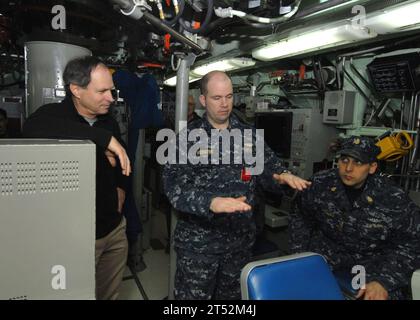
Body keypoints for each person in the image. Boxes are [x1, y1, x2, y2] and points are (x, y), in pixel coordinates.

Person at [162, 70, 311, 300]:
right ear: (203, 100)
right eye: (217, 98)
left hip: (238, 244)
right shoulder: (185, 139)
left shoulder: (249, 136)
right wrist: (211, 202)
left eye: (229, 97)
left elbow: (267, 169)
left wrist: (281, 176)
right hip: (199, 246)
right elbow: (174, 188)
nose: (224, 104)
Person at [22, 56, 131, 300]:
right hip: (77, 240)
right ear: (76, 90)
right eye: (102, 91)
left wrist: (121, 188)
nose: (111, 98)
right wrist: (99, 138)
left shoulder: (108, 122)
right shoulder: (52, 116)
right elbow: (30, 128)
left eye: (111, 91)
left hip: (113, 230)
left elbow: (124, 158)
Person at [289, 136, 420, 300]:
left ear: (372, 167)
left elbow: (412, 244)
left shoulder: (393, 198)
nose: (348, 168)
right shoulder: (320, 183)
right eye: (344, 160)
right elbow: (301, 217)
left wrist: (384, 281)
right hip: (325, 258)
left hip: (372, 265)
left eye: (358, 162)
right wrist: (299, 257)